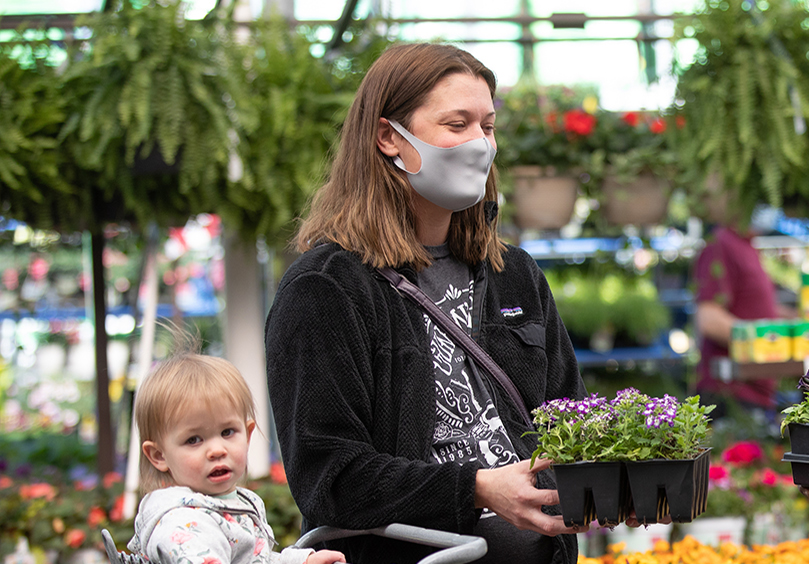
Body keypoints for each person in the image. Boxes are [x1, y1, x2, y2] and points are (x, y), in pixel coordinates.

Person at [265, 43, 587, 564]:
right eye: (456, 124)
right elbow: (329, 478)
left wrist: (611, 481)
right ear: (389, 137)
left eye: (487, 126)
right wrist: (477, 488)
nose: (479, 145)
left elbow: (569, 420)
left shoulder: (513, 274)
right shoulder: (327, 289)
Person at [129, 328, 346, 564]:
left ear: (248, 434)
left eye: (227, 432)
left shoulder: (227, 503)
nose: (216, 450)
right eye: (194, 440)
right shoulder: (183, 524)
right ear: (159, 455)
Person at [693, 181, 791, 420]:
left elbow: (754, 309)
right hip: (730, 393)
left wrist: (799, 323)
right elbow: (709, 318)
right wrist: (767, 340)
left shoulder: (747, 246)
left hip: (755, 392)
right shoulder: (720, 245)